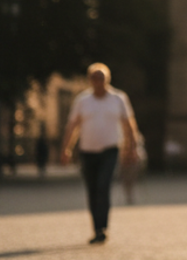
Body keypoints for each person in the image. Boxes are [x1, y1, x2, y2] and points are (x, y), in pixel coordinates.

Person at [60, 63, 139, 244]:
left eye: (101, 77)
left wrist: (132, 147)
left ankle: (103, 227)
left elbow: (128, 124)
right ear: (90, 80)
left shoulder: (118, 99)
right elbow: (72, 126)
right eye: (94, 78)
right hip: (87, 151)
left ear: (107, 79)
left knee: (103, 186)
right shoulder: (82, 101)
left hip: (110, 150)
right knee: (92, 189)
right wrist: (66, 148)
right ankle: (96, 228)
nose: (98, 81)